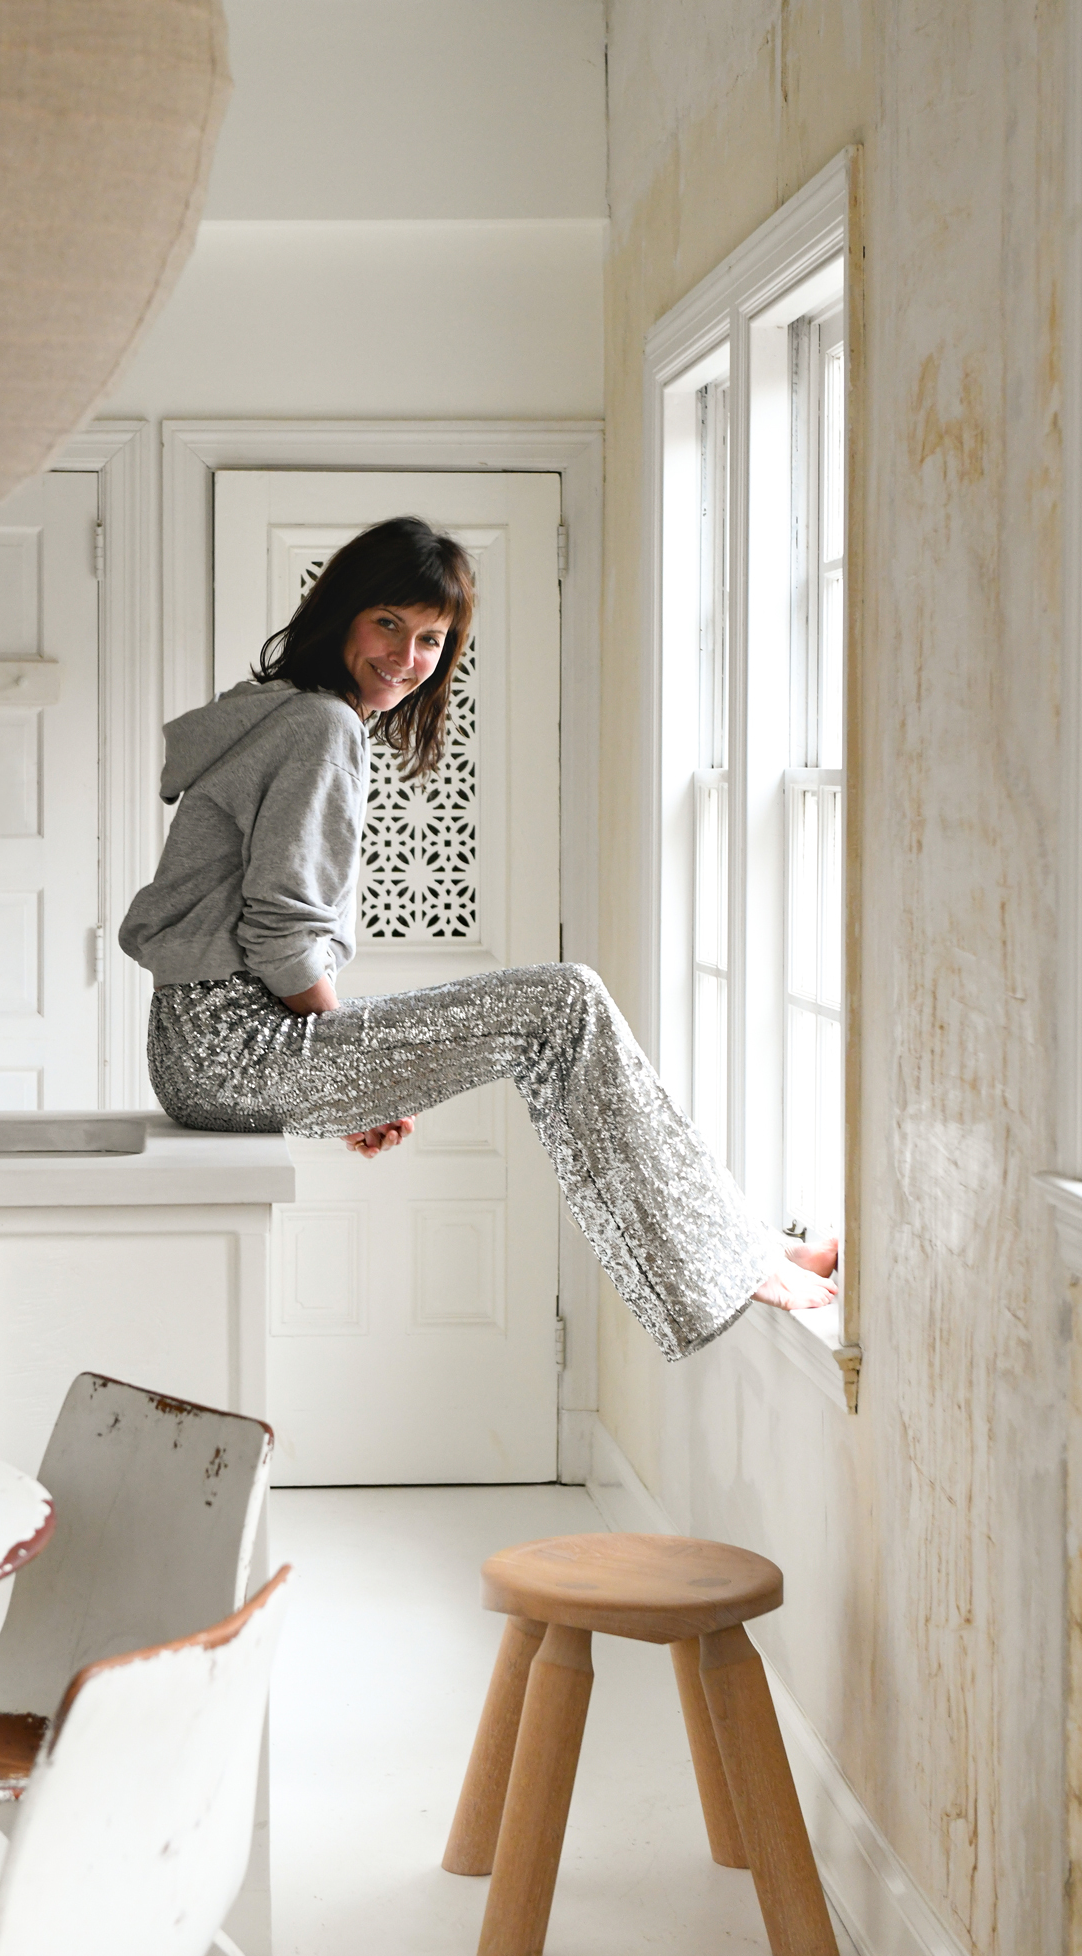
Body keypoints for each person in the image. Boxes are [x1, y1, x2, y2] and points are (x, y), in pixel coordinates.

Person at [120, 516, 836, 1361]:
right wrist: (358, 1069)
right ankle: (736, 1260)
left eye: (432, 638)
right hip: (235, 1044)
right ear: (341, 612)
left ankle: (744, 1244)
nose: (407, 657)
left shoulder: (270, 713)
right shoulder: (321, 726)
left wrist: (359, 1069)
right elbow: (281, 931)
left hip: (194, 1047)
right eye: (388, 622)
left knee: (561, 1010)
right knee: (565, 1002)